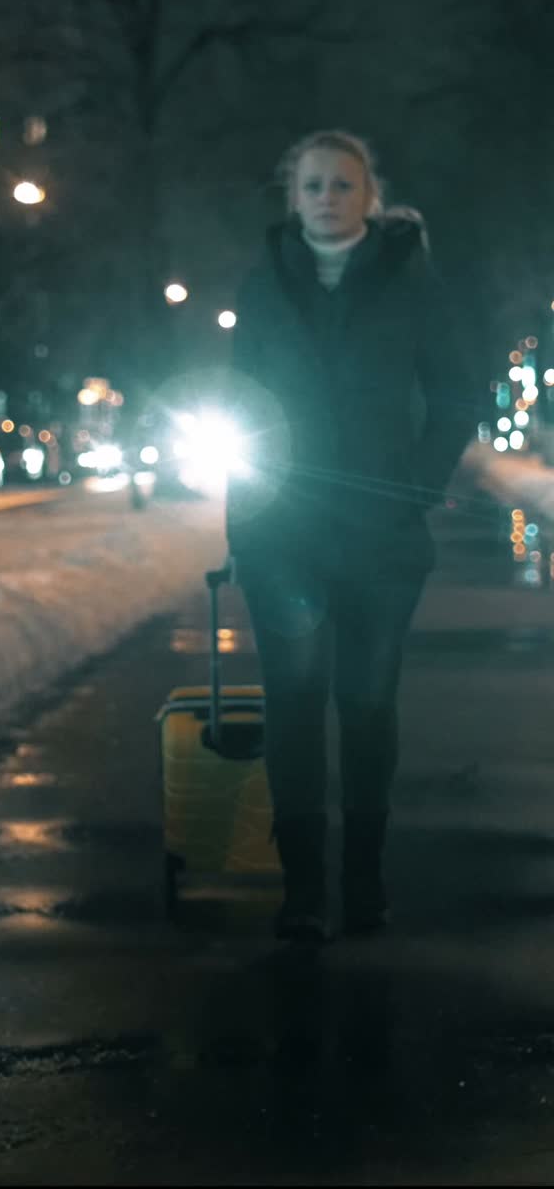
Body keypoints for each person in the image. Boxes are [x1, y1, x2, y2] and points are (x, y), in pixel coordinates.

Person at [225, 130, 476, 941]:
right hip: (282, 530)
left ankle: (363, 881)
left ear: (371, 195)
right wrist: (246, 504)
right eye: (312, 187)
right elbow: (241, 398)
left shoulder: (413, 282)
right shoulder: (265, 285)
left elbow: (454, 395)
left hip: (379, 534)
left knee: (366, 702)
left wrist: (418, 487)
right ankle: (302, 892)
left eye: (342, 185)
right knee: (294, 704)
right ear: (291, 197)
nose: (326, 198)